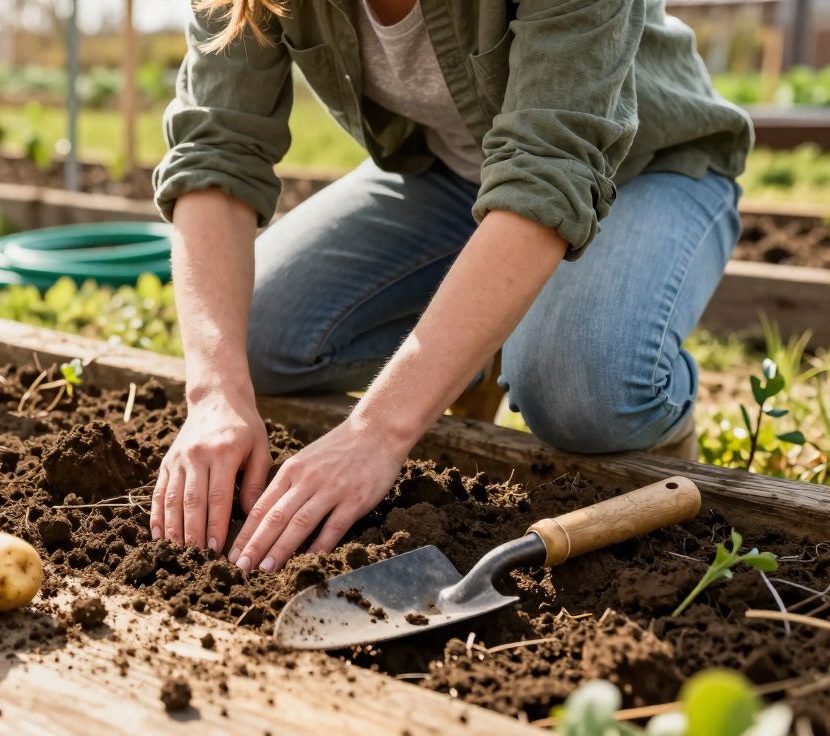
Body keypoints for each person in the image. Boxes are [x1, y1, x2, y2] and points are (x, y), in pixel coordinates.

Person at [148, 0, 752, 573]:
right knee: (254, 334)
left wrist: (376, 433)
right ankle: (474, 334)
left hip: (643, 167)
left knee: (580, 385)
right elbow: (217, 149)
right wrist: (213, 394)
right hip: (453, 177)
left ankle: (659, 443)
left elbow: (548, 168)